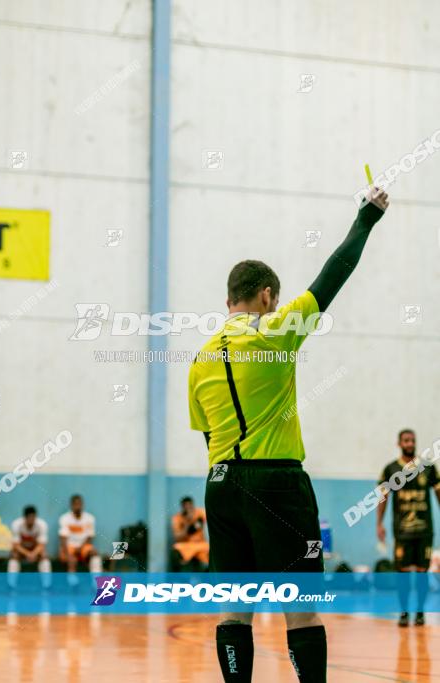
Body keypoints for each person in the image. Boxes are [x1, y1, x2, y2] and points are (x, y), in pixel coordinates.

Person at [188, 187, 389, 682]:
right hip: (277, 483)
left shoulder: (199, 360)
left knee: (233, 609)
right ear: (266, 297)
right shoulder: (275, 330)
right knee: (299, 607)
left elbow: (208, 434)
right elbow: (332, 276)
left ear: (227, 300)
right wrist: (367, 219)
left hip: (220, 486)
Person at [377, 429, 440, 627]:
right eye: (406, 440)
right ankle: (404, 613)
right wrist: (379, 523)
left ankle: (420, 613)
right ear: (399, 443)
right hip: (402, 531)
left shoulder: (427, 467)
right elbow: (383, 497)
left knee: (422, 572)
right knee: (402, 573)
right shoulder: (391, 469)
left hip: (424, 530)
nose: (410, 443)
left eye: (412, 440)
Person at [59, 494, 102, 574]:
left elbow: (90, 537)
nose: (77, 506)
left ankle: (96, 582)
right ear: (71, 505)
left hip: (83, 546)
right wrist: (68, 555)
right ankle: (73, 582)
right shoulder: (64, 518)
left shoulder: (90, 518)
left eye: (79, 504)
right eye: (75, 504)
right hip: (69, 547)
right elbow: (63, 538)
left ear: (82, 504)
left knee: (95, 555)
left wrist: (80, 548)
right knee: (71, 560)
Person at [8, 506, 51, 586]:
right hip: (22, 550)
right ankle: (11, 584)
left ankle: (47, 585)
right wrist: (28, 554)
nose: (31, 520)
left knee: (44, 555)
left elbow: (42, 545)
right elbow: (16, 545)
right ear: (25, 518)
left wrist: (33, 554)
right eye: (29, 518)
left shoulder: (42, 525)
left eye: (33, 517)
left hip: (35, 550)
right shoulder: (16, 524)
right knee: (14, 555)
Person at [171, 496, 209, 570]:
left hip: (201, 545)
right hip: (185, 545)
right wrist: (187, 523)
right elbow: (177, 538)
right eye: (186, 507)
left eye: (190, 506)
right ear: (182, 507)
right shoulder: (177, 518)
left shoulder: (200, 513)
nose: (188, 509)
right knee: (175, 552)